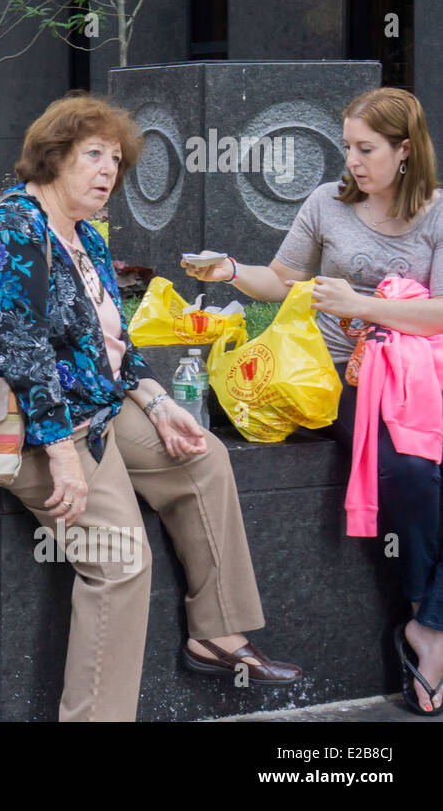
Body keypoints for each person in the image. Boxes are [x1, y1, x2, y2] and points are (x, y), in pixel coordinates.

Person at [0, 92, 299, 721]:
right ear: (53, 157)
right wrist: (62, 457)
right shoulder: (12, 226)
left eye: (115, 159)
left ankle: (215, 634)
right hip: (32, 428)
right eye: (93, 155)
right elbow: (17, 347)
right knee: (120, 563)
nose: (109, 170)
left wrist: (160, 403)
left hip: (99, 410)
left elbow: (111, 344)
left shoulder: (86, 238)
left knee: (202, 458)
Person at [184, 86, 443, 716]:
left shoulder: (437, 213)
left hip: (420, 373)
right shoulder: (327, 203)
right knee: (408, 468)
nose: (351, 160)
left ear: (405, 150)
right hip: (335, 374)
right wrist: (232, 271)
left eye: (366, 148)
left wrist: (363, 305)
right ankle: (426, 623)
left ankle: (430, 628)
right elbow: (283, 279)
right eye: (347, 146)